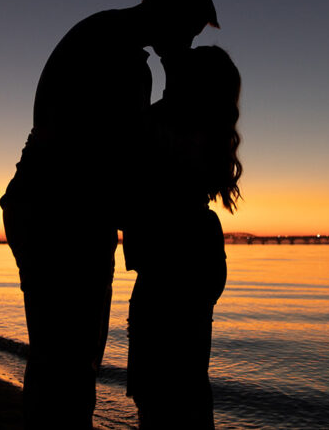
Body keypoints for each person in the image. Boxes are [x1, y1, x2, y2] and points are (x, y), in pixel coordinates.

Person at [0, 0, 219, 428]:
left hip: (50, 207)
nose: (186, 44)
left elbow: (122, 159)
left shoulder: (105, 37)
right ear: (171, 12)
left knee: (61, 362)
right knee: (68, 365)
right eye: (189, 32)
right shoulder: (118, 58)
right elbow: (120, 161)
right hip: (62, 216)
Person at [123, 45, 242, 429]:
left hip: (176, 261)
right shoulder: (204, 128)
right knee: (183, 386)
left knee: (166, 391)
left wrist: (162, 58)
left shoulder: (179, 131)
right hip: (194, 254)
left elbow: (144, 125)